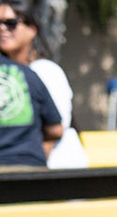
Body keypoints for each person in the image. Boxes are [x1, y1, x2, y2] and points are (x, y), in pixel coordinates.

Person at [1, 1, 80, 168]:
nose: (2, 29)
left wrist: (30, 175)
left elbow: (56, 131)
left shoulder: (45, 71)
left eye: (11, 23)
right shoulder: (8, 72)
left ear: (32, 29)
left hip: (54, 171)